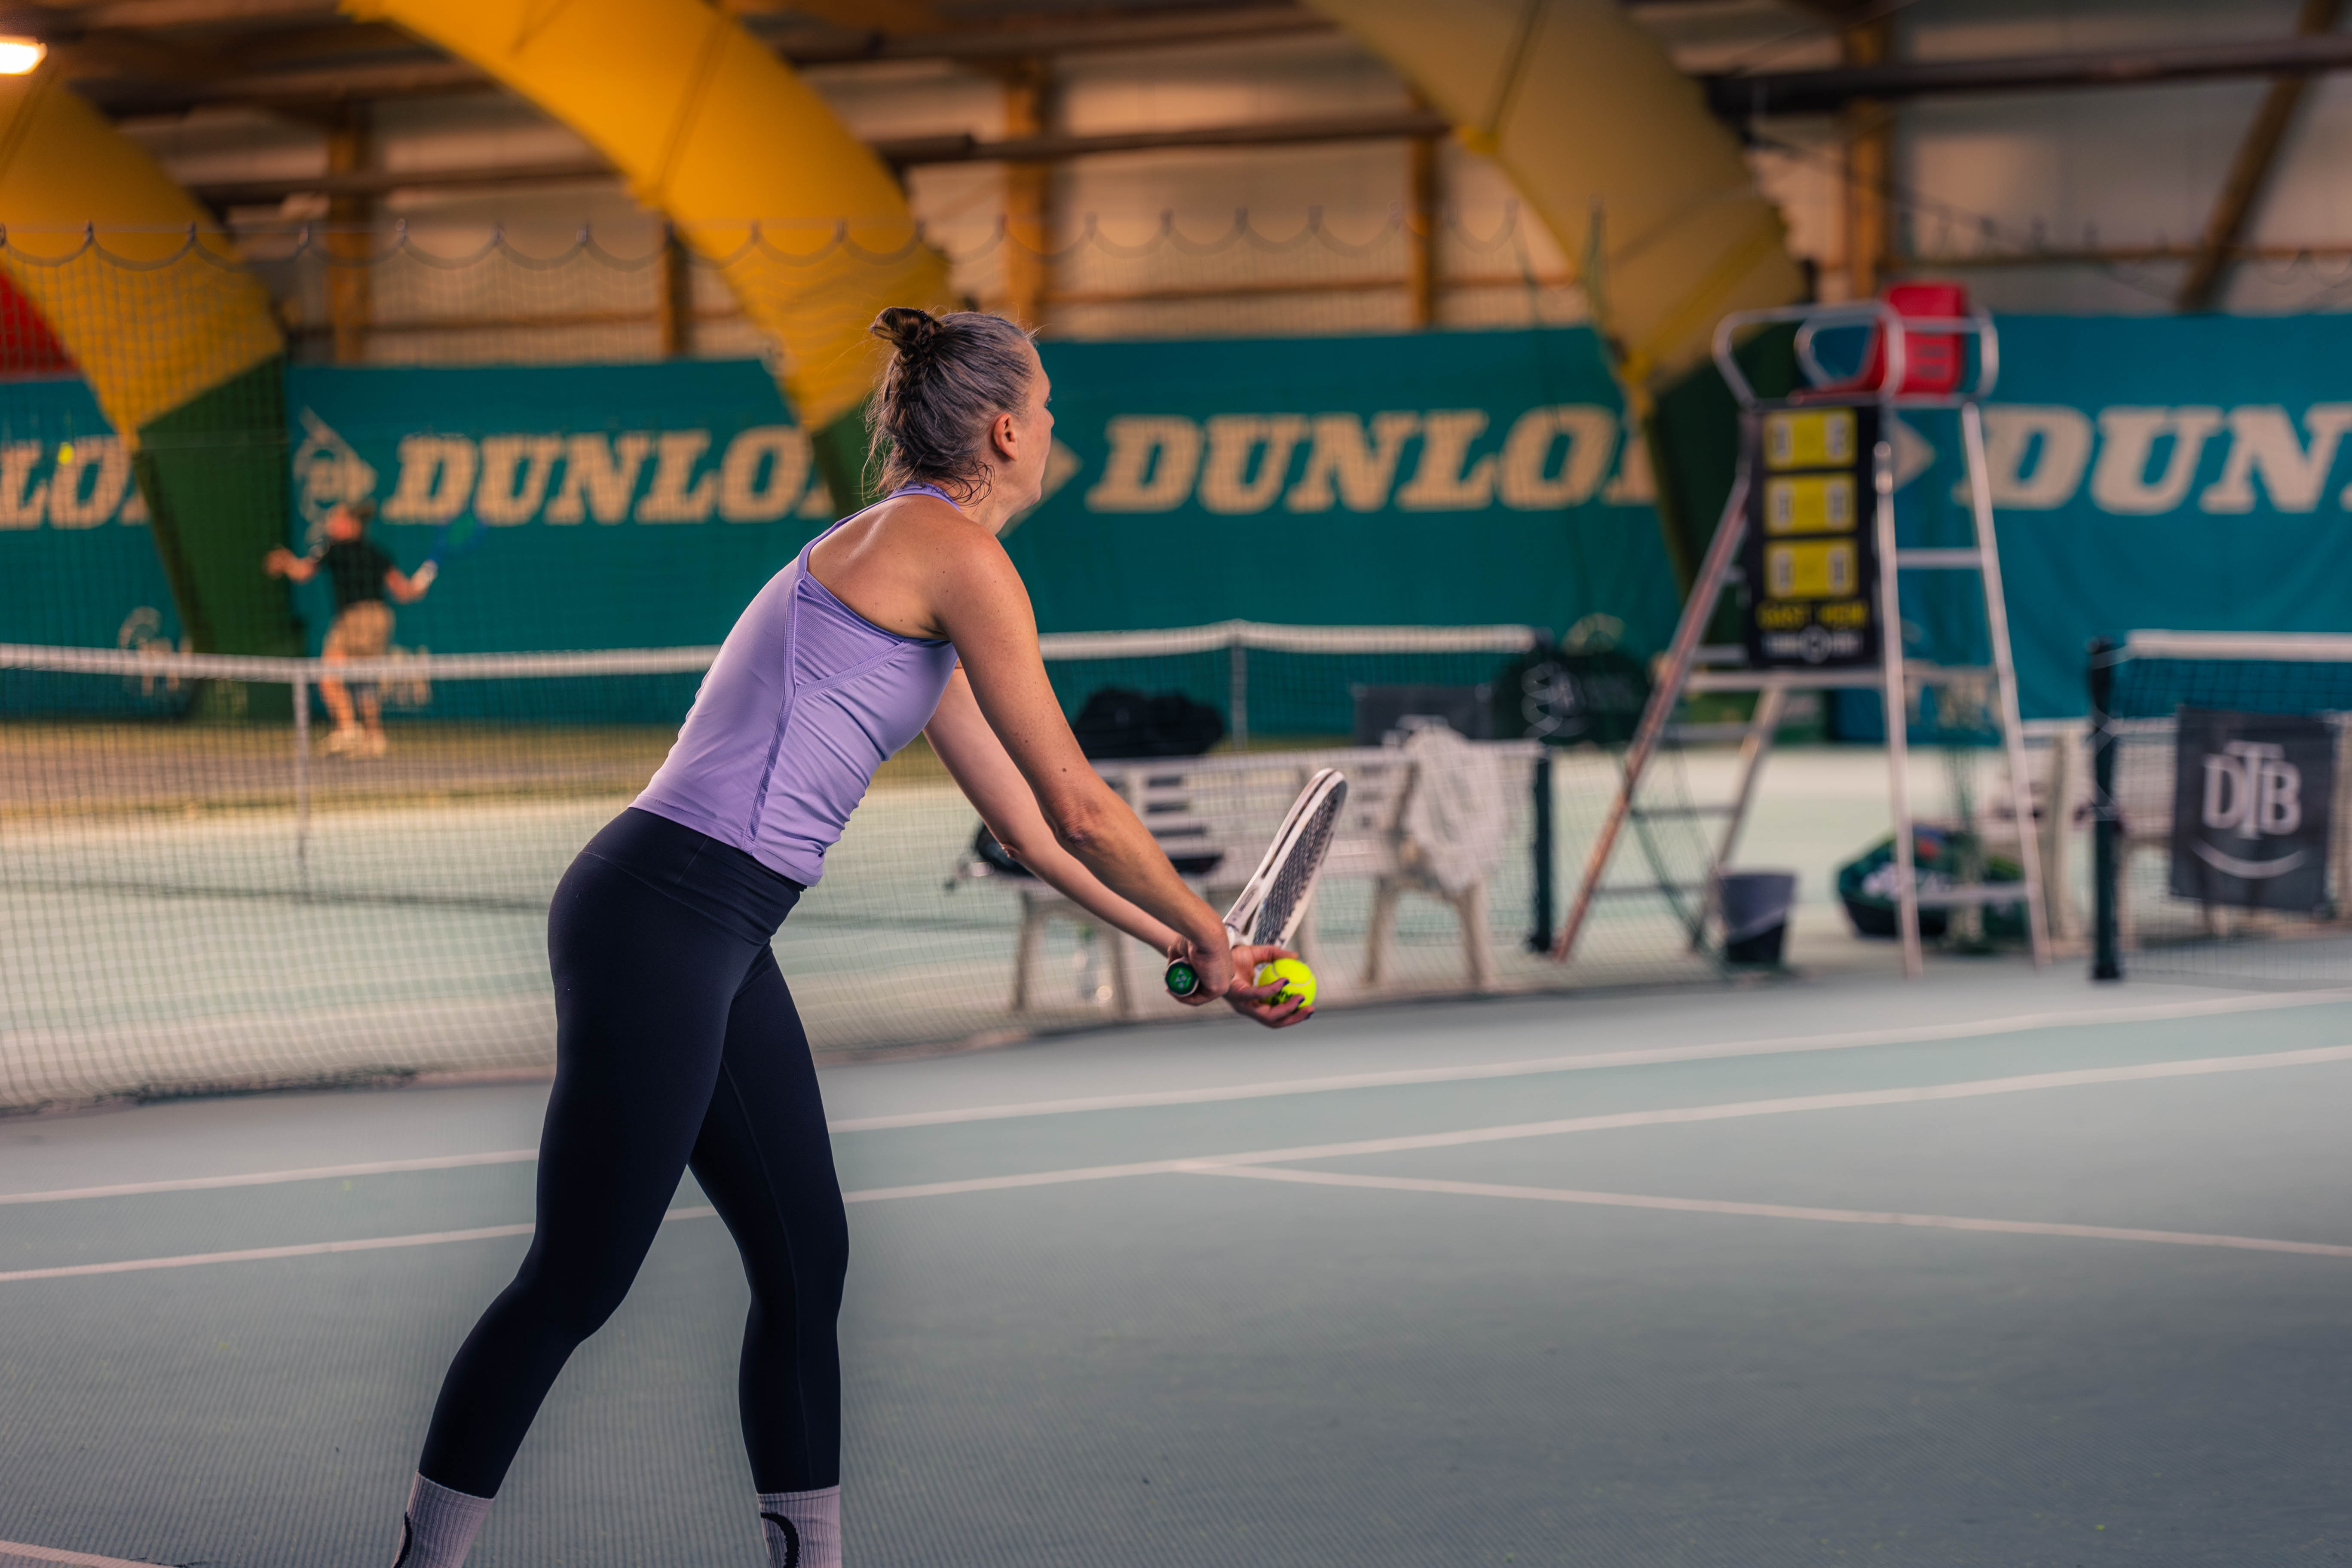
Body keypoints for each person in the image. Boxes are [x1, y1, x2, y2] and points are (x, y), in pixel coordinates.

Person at [383, 306, 1305, 1568]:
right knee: (578, 1277)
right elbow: (1083, 805)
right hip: (663, 912)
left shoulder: (913, 559)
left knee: (805, 1258)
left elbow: (1029, 830)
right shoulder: (952, 555)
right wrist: (1218, 930)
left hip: (714, 926)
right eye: (1047, 408)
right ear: (1004, 430)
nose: (1055, 429)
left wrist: (1182, 946)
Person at [263, 498, 432, 757]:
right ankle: (374, 737)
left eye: (336, 519)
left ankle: (347, 729)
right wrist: (419, 586)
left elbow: (303, 572)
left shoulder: (333, 548)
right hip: (381, 619)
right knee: (365, 680)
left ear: (352, 524)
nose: (330, 524)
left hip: (355, 618)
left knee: (328, 676)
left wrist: (286, 562)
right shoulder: (378, 552)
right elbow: (404, 591)